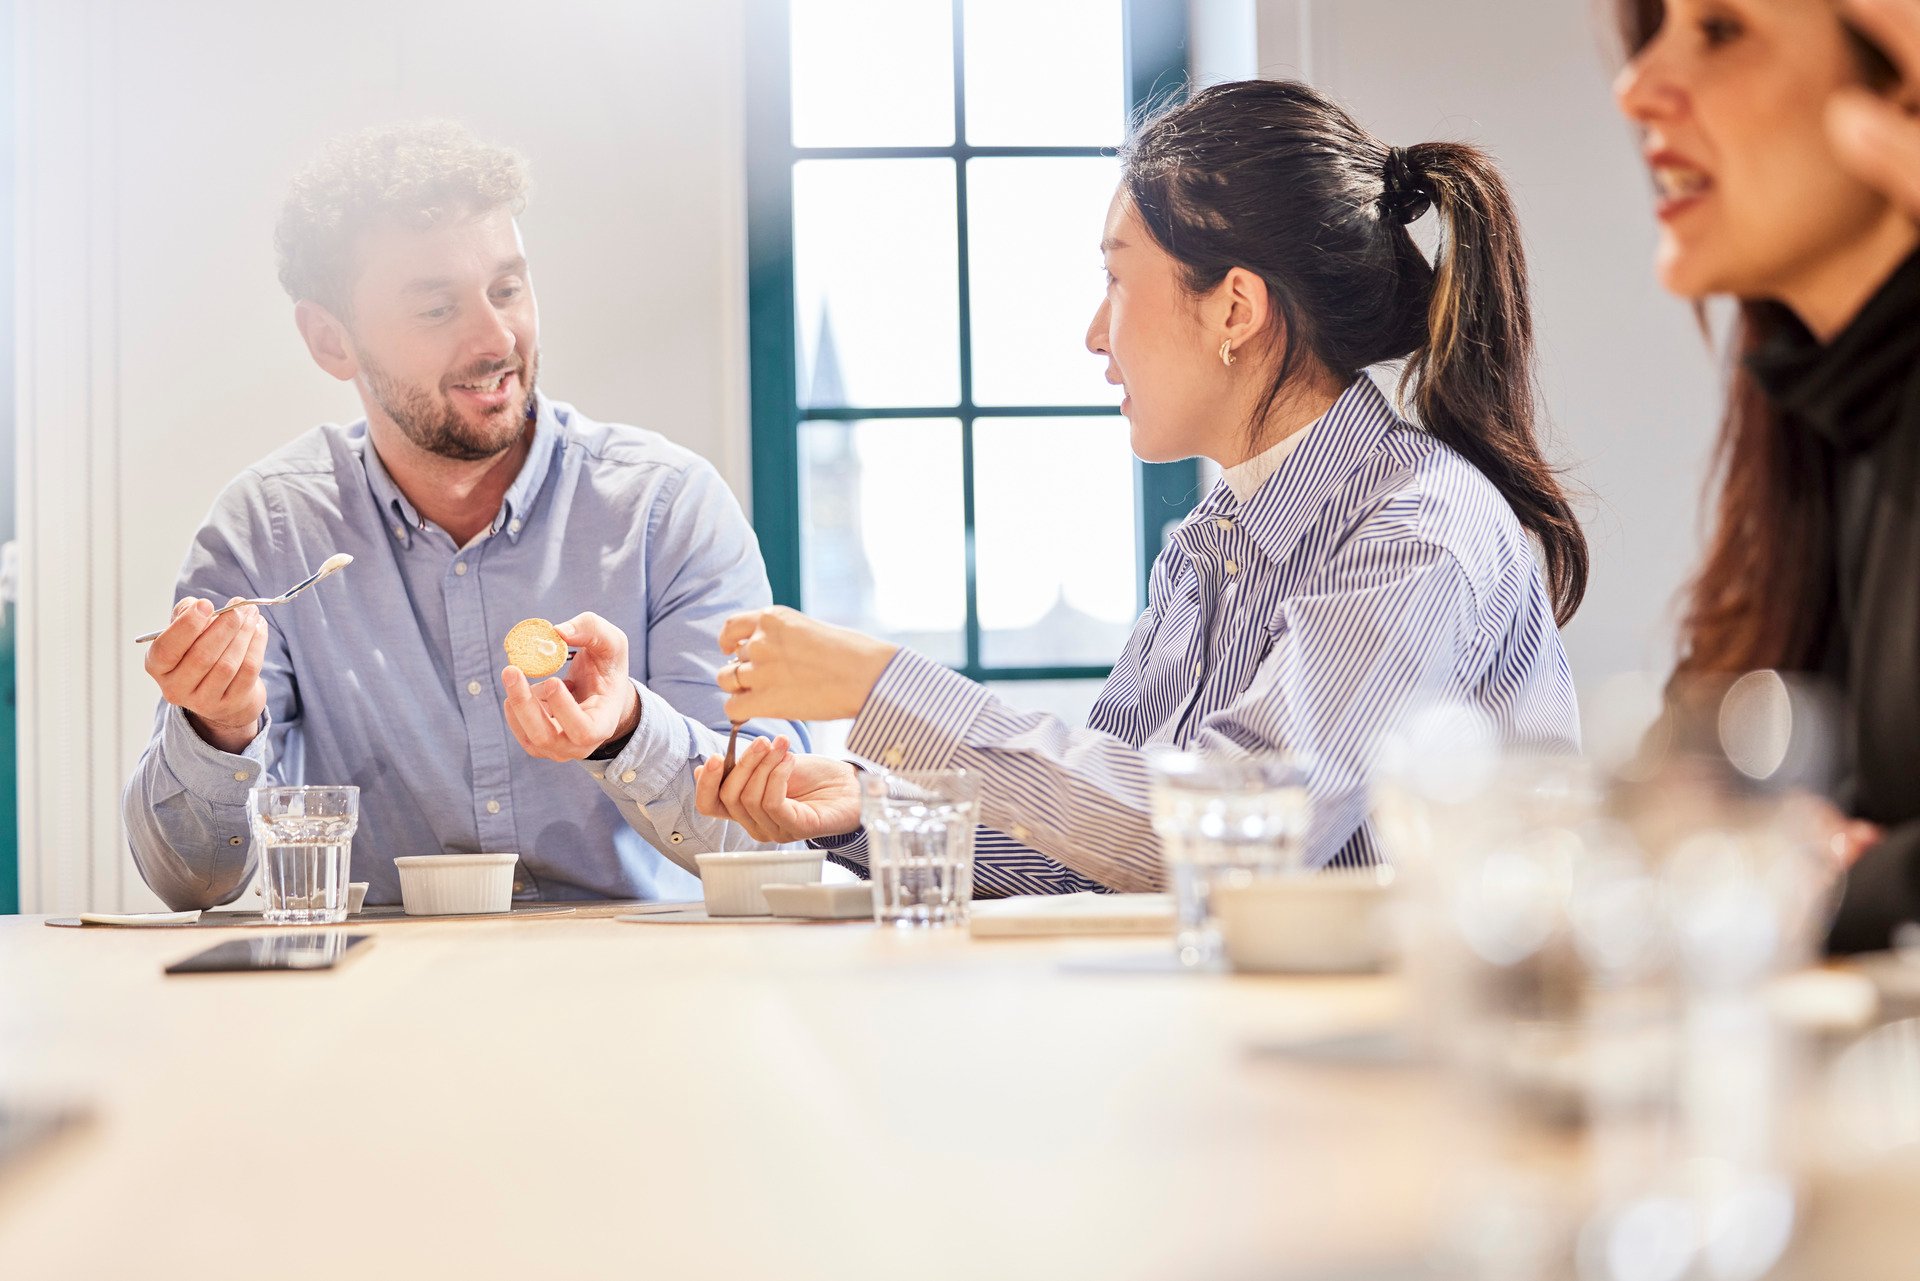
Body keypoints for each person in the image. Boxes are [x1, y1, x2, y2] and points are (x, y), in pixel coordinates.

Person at [691, 78, 1587, 895]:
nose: (1093, 332)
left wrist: (884, 683)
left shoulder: (1419, 532)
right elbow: (1106, 845)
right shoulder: (1209, 546)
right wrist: (865, 806)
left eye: (1116, 278)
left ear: (1236, 308)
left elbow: (1229, 838)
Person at [123, 121, 802, 910]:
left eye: (507, 289)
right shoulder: (268, 534)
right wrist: (219, 731)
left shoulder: (669, 509)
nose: (495, 337)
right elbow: (188, 880)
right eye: (439, 308)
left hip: (636, 996)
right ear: (330, 340)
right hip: (375, 1006)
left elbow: (773, 841)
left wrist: (626, 732)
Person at [1614, 0, 1920, 953]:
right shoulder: (1817, 406)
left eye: (1720, 30)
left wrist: (1841, 883)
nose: (1635, 89)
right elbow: (1674, 819)